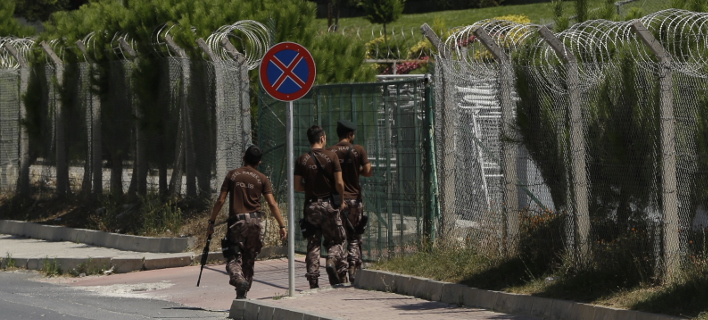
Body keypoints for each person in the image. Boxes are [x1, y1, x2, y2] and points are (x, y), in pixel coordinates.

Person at [207, 145, 287, 299]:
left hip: (238, 222)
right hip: (255, 222)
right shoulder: (262, 179)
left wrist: (212, 220)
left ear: (244, 158)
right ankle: (242, 295)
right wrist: (281, 225)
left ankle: (237, 278)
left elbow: (221, 200)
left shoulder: (232, 175)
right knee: (249, 259)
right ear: (259, 162)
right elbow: (272, 204)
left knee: (233, 256)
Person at [294, 125, 347, 288]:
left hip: (311, 205)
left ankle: (313, 279)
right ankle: (331, 260)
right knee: (336, 239)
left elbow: (297, 186)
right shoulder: (332, 156)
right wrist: (342, 200)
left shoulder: (302, 159)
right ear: (322, 138)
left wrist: (309, 187)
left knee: (313, 242)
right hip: (329, 203)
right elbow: (339, 182)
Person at [328, 120, 372, 283]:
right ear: (350, 134)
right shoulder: (358, 150)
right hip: (354, 199)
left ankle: (336, 266)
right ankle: (353, 267)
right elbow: (368, 171)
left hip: (337, 201)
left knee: (338, 237)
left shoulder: (330, 151)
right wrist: (355, 171)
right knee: (354, 235)